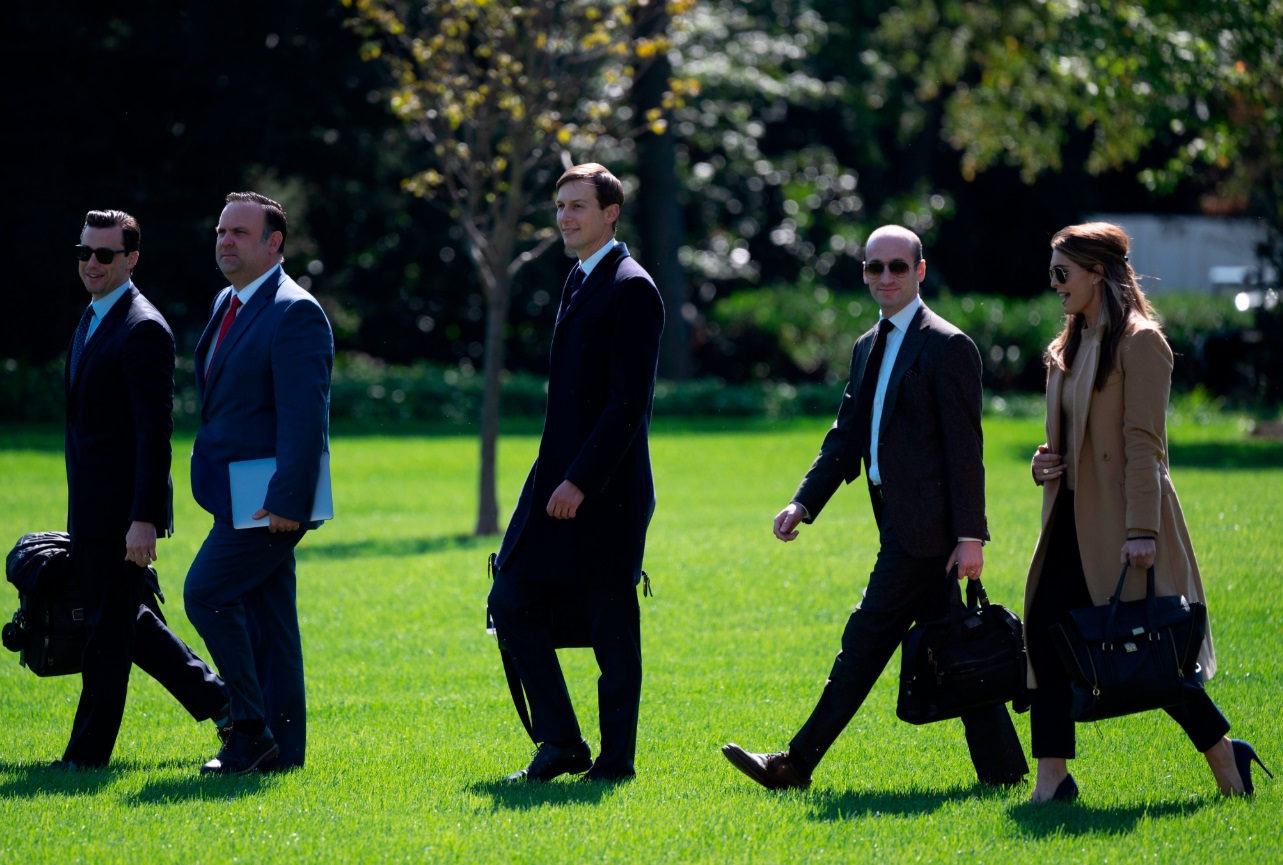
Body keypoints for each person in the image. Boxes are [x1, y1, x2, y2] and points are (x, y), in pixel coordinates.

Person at [722, 225, 1029, 790]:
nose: (883, 277)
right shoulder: (868, 346)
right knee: (955, 640)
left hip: (928, 533)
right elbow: (845, 438)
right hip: (896, 521)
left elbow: (966, 453)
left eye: (895, 266)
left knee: (863, 642)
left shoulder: (948, 345)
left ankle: (795, 763)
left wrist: (970, 537)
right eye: (873, 268)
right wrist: (802, 502)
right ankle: (1006, 774)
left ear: (920, 271)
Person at [1024, 222, 1271, 801]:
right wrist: (1044, 462)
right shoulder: (1069, 343)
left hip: (1120, 525)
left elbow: (1145, 447)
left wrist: (1141, 531)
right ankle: (1052, 780)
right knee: (1044, 634)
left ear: (1097, 274)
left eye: (1063, 273)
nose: (1054, 284)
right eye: (1052, 272)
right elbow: (1070, 434)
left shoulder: (1141, 342)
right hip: (1068, 519)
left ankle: (1225, 756)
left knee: (1148, 650)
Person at [487, 163, 665, 782]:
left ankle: (615, 764)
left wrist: (581, 481)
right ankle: (561, 741)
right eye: (560, 206)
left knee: (612, 625)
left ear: (610, 213)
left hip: (606, 493)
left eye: (578, 206)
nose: (565, 217)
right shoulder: (578, 278)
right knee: (509, 600)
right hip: (556, 482)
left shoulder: (632, 286)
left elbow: (628, 405)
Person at [56, 209, 229, 769]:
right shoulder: (93, 317)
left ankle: (86, 757)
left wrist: (144, 518)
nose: (91, 264)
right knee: (129, 621)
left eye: (104, 255)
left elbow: (156, 433)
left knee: (108, 633)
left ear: (131, 259)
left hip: (121, 514)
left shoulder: (142, 326)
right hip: (91, 507)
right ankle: (227, 705)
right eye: (84, 252)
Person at [184, 192, 334, 775]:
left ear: (274, 243)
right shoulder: (229, 300)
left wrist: (288, 502)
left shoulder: (296, 310)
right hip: (236, 490)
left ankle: (247, 728)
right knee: (270, 624)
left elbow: (305, 418)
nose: (225, 241)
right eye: (221, 231)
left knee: (205, 593)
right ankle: (281, 752)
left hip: (272, 496)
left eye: (240, 233)